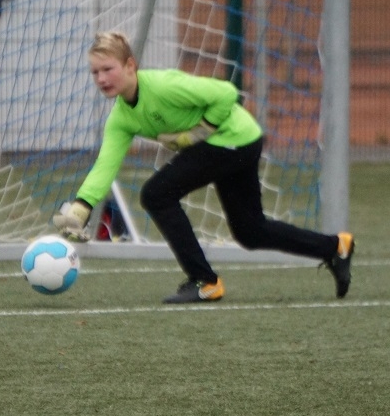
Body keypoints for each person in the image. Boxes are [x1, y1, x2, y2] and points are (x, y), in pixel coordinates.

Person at [52, 31, 355, 304]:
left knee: (157, 194)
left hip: (236, 138)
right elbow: (106, 164)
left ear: (130, 65)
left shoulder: (162, 85)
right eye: (95, 72)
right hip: (234, 144)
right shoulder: (121, 118)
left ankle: (206, 282)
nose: (102, 78)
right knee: (250, 232)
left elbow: (226, 93)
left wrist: (199, 131)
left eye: (108, 69)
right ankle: (335, 247)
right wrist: (81, 208)